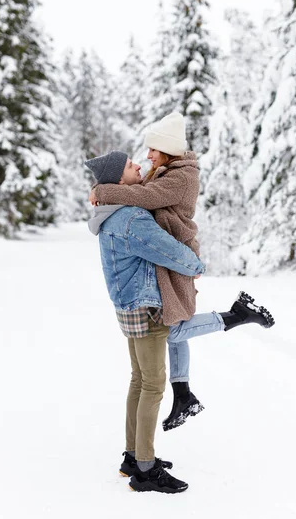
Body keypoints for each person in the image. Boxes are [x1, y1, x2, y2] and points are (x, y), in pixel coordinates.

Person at [86, 150, 274, 494]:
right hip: (145, 307)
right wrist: (196, 266)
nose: (138, 165)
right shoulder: (131, 219)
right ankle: (144, 468)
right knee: (153, 385)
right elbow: (169, 251)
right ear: (116, 178)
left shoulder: (109, 214)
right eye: (130, 165)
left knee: (140, 380)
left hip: (127, 304)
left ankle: (132, 456)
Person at [88, 112, 205, 430]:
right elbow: (142, 197)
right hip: (168, 258)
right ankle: (183, 395)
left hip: (177, 256)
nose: (147, 156)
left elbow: (145, 197)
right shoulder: (165, 170)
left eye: (153, 149)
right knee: (174, 321)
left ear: (166, 149)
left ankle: (235, 317)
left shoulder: (181, 177)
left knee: (177, 324)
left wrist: (103, 191)